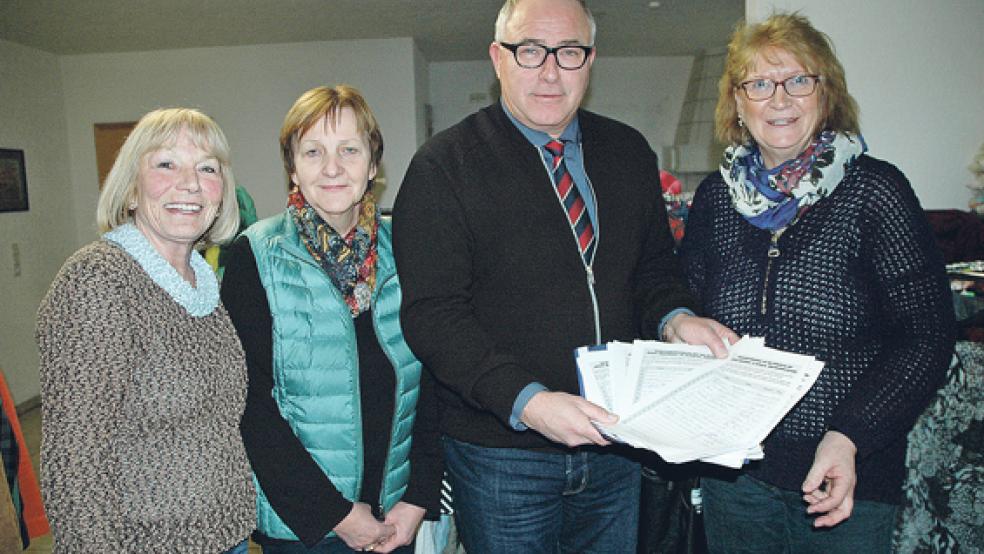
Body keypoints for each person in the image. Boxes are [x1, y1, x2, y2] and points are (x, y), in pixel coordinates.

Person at [392, 1, 735, 552]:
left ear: (590, 60)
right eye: (530, 51)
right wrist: (529, 402)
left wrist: (676, 318)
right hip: (503, 455)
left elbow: (652, 269)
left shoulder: (628, 152)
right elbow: (434, 317)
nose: (550, 71)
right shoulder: (443, 166)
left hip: (616, 444)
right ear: (498, 58)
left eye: (569, 52)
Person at [679, 13, 956, 553]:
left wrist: (850, 435)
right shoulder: (715, 199)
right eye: (759, 84)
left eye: (798, 80)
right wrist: (677, 325)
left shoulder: (876, 191)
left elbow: (926, 335)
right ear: (738, 103)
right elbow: (685, 305)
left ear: (826, 93)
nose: (779, 98)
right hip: (734, 477)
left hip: (845, 474)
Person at [221, 85, 442, 553]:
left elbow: (435, 378)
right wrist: (335, 515)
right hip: (304, 529)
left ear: (373, 164)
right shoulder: (253, 256)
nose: (332, 167)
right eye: (313, 152)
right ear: (293, 168)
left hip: (395, 518)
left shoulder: (409, 247)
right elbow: (249, 404)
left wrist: (418, 497)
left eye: (349, 150)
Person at [36, 108, 255, 553]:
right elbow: (75, 456)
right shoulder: (99, 279)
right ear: (132, 189)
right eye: (166, 164)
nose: (190, 184)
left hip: (225, 536)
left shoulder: (201, 282)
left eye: (207, 168)